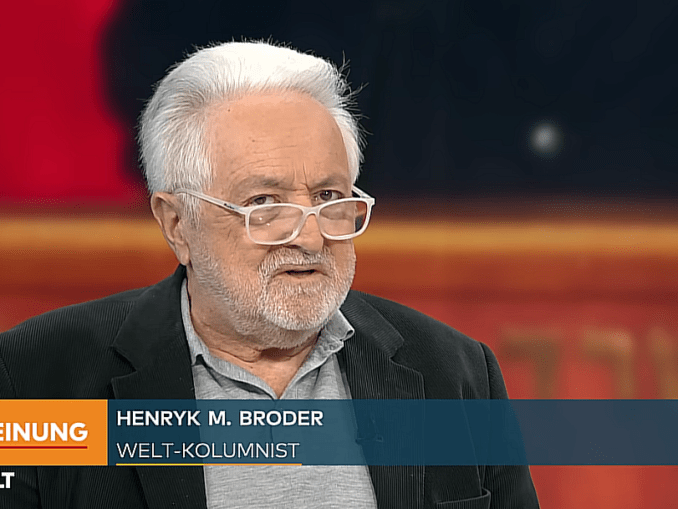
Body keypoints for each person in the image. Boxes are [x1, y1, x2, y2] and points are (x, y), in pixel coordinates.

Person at [0, 41, 539, 508]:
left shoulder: (454, 372)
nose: (310, 237)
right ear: (177, 224)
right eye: (264, 203)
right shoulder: (36, 379)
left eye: (328, 196)